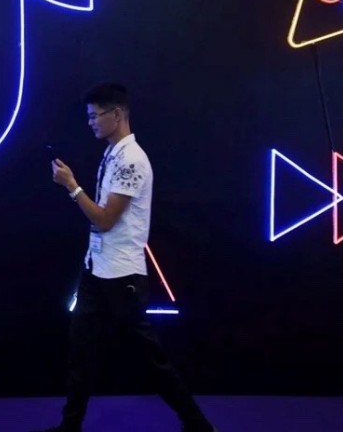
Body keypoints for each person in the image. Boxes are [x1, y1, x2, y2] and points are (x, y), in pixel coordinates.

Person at [33, 82, 216, 432]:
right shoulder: (114, 153)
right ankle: (69, 427)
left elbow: (104, 219)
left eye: (94, 116)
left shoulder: (132, 159)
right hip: (97, 271)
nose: (90, 123)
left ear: (116, 115)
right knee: (80, 354)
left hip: (122, 278)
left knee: (151, 360)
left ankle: (198, 424)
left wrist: (71, 186)